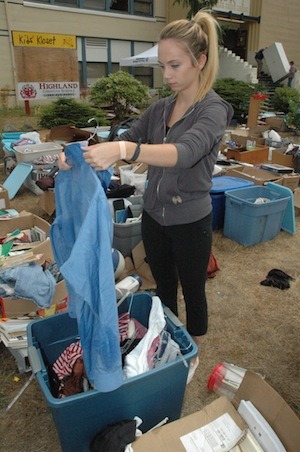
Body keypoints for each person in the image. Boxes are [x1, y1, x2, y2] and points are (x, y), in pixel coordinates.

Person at [58, 10, 234, 383]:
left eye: (174, 65)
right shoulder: (162, 108)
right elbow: (128, 136)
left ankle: (192, 351)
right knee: (164, 285)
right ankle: (167, 339)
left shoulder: (214, 110)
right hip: (154, 216)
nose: (167, 75)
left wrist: (125, 149)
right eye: (162, 66)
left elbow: (184, 153)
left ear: (199, 61)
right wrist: (79, 155)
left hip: (191, 220)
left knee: (193, 290)